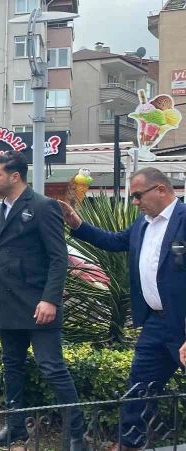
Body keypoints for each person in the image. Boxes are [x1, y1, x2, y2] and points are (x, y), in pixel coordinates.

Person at [59, 167, 186, 451]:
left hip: (184, 322)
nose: (135, 202)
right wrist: (77, 224)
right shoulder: (143, 225)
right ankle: (130, 443)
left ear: (162, 190)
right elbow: (113, 241)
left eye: (139, 195)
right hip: (156, 322)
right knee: (139, 384)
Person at [0, 151, 87, 450]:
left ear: (15, 176)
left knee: (52, 367)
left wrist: (50, 300)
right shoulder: (2, 208)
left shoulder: (43, 206)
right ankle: (15, 428)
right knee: (11, 366)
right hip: (7, 302)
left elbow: (58, 257)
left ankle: (76, 433)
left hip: (38, 305)